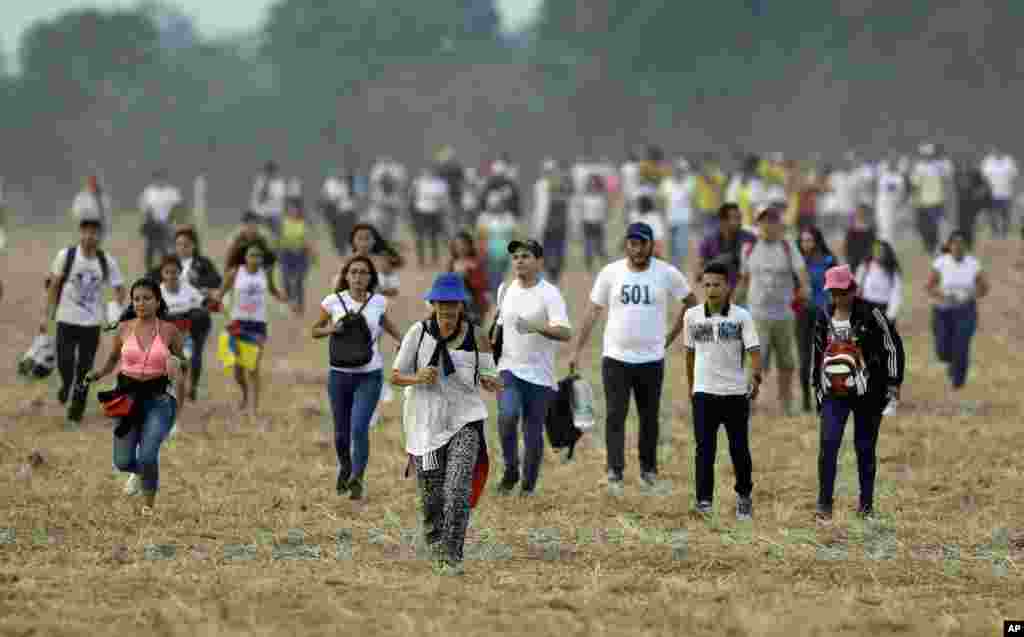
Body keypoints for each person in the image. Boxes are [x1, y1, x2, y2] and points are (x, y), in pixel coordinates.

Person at [570, 222, 697, 494]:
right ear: (626, 245)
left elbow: (691, 304)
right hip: (616, 358)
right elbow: (592, 312)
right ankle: (614, 472)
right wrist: (576, 349)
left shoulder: (666, 273)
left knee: (649, 417)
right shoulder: (610, 273)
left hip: (651, 359)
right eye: (632, 243)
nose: (637, 249)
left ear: (652, 245)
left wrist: (672, 335)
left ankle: (648, 471)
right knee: (616, 415)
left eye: (642, 243)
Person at [391, 273, 503, 575]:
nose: (448, 311)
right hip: (425, 426)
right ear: (433, 304)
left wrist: (492, 383)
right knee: (431, 494)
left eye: (453, 305)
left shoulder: (477, 336)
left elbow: (489, 374)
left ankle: (452, 555)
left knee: (456, 488)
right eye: (442, 304)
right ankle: (435, 539)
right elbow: (395, 375)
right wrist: (417, 377)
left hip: (465, 420)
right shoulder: (418, 333)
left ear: (461, 305)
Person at [811, 264, 904, 522]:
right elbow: (816, 353)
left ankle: (866, 507)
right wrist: (817, 389)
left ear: (853, 289)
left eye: (842, 291)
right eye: (833, 292)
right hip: (833, 393)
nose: (838, 297)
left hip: (869, 393)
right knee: (828, 445)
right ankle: (824, 506)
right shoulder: (823, 316)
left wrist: (893, 384)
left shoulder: (872, 314)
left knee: (864, 448)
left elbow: (892, 347)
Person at [87, 277, 188, 514]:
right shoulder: (123, 329)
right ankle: (142, 472)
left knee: (148, 453)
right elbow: (113, 359)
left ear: (158, 301)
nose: (141, 303)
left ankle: (148, 507)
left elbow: (183, 361)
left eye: (147, 298)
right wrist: (98, 373)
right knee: (122, 461)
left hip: (159, 400)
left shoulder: (170, 330)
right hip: (127, 399)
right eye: (136, 299)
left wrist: (177, 363)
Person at [312, 256, 402, 501]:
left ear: (371, 277)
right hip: (339, 375)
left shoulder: (379, 303)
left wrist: (404, 343)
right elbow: (314, 330)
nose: (358, 277)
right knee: (341, 434)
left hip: (369, 375)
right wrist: (331, 329)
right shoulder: (332, 301)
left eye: (363, 273)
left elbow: (388, 326)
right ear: (346, 275)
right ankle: (345, 467)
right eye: (354, 272)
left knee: (360, 428)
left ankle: (357, 478)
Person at [493, 239, 572, 496]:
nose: (519, 261)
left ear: (539, 262)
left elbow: (565, 332)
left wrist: (537, 326)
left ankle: (527, 486)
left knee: (532, 432)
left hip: (540, 375)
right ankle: (510, 469)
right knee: (506, 416)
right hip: (508, 368)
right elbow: (498, 328)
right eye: (515, 256)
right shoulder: (505, 290)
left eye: (525, 256)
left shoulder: (550, 293)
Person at [684, 261, 761, 518]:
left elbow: (753, 350)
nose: (711, 290)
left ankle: (744, 497)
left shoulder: (742, 316)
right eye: (706, 285)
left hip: (735, 394)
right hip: (704, 393)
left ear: (728, 286)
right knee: (704, 449)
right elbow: (689, 354)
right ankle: (704, 501)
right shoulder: (692, 316)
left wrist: (756, 377)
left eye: (717, 284)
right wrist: (691, 387)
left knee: (739, 448)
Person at [42, 219, 126, 427]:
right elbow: (53, 285)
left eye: (94, 233)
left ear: (99, 236)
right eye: (86, 232)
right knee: (66, 361)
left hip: (91, 323)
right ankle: (65, 385)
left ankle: (76, 412)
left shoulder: (106, 261)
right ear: (80, 233)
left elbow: (119, 287)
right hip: (66, 319)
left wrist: (116, 308)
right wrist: (48, 314)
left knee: (85, 369)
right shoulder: (67, 256)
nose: (90, 237)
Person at [737, 205, 809, 416]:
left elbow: (801, 273)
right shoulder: (749, 249)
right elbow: (744, 280)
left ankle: (785, 404)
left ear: (780, 224)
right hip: (757, 315)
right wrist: (729, 305)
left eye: (773, 221)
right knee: (756, 362)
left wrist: (805, 289)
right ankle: (749, 404)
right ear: (758, 224)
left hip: (784, 315)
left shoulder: (788, 247)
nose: (768, 225)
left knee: (786, 362)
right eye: (764, 221)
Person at [212, 242, 287, 423]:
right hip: (237, 324)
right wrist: (215, 301)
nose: (255, 259)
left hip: (258, 325)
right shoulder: (235, 273)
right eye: (252, 255)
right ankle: (245, 394)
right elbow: (220, 295)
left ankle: (254, 409)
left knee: (253, 366)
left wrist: (282, 297)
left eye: (258, 256)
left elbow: (273, 291)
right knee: (238, 370)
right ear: (244, 257)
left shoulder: (265, 274)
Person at [926, 231, 988, 391]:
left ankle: (958, 379)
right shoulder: (941, 263)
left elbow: (984, 287)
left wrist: (971, 295)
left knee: (961, 344)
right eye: (954, 243)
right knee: (942, 350)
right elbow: (930, 286)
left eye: (961, 244)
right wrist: (943, 295)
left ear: (966, 246)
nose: (958, 247)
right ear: (949, 246)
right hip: (943, 310)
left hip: (965, 310)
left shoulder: (973, 264)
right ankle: (950, 361)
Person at [168, 226, 222, 401]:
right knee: (178, 352)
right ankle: (180, 383)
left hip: (198, 315)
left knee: (197, 351)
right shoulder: (168, 263)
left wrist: (198, 280)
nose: (182, 248)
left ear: (194, 246)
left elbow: (216, 280)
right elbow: (152, 278)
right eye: (179, 244)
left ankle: (193, 386)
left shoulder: (202, 263)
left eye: (186, 245)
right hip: (176, 316)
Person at [796, 226, 837, 413]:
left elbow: (837, 287)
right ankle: (805, 400)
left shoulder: (828, 260)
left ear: (817, 240)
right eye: (803, 240)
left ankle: (822, 397)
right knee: (804, 357)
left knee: (822, 358)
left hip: (823, 313)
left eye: (809, 240)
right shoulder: (796, 261)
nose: (806, 244)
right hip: (802, 313)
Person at [158, 255, 204, 403]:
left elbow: (204, 304)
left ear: (180, 273)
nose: (171, 276)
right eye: (167, 272)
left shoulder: (188, 290)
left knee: (180, 374)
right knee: (169, 374)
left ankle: (177, 406)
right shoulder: (157, 293)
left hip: (185, 341)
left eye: (175, 272)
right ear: (162, 274)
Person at [696, 203, 756, 291]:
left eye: (740, 218)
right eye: (736, 218)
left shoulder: (749, 239)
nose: (740, 222)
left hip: (744, 292)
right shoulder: (708, 241)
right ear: (723, 221)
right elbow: (698, 275)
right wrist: (718, 263)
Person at [533, 159, 575, 284]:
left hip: (557, 225)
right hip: (548, 225)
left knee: (556, 251)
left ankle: (554, 275)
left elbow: (568, 206)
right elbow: (539, 208)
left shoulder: (560, 186)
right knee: (548, 251)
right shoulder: (541, 185)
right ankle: (550, 275)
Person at [910, 143, 953, 256]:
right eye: (925, 154)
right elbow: (915, 185)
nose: (928, 156)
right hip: (924, 203)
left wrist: (947, 197)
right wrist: (915, 200)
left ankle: (940, 247)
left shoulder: (939, 166)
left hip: (938, 201)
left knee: (939, 226)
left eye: (930, 154)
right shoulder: (919, 167)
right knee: (926, 228)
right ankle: (930, 246)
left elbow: (946, 180)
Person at [278, 198, 318, 315]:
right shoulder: (283, 223)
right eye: (291, 209)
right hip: (287, 254)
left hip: (301, 255)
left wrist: (313, 256)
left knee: (299, 280)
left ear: (299, 210)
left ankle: (300, 306)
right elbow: (278, 240)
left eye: (295, 209)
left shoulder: (304, 224)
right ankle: (288, 301)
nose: (293, 211)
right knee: (285, 278)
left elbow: (309, 242)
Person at [139, 170, 184, 271]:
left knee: (168, 249)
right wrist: (150, 222)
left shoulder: (172, 192)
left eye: (161, 178)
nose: (159, 181)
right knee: (150, 250)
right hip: (153, 227)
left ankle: (170, 268)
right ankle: (149, 270)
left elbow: (177, 208)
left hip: (168, 225)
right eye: (157, 178)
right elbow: (145, 210)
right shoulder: (148, 192)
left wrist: (169, 221)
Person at [477, 190, 520, 293]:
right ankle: (495, 295)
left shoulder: (509, 218)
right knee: (493, 277)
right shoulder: (483, 218)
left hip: (504, 253)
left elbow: (514, 235)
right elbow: (480, 237)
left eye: (498, 204)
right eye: (493, 204)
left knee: (500, 276)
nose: (496, 207)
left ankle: (497, 294)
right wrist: (482, 250)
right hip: (489, 253)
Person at [410, 166, 451, 267]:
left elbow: (444, 199)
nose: (428, 174)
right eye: (426, 173)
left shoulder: (439, 184)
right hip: (421, 212)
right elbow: (411, 196)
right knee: (420, 236)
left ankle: (435, 259)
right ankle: (421, 260)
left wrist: (445, 210)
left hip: (435, 212)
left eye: (430, 173)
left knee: (434, 236)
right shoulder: (418, 182)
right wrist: (412, 212)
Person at [660, 158, 696, 273]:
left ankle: (678, 272)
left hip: (684, 220)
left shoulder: (690, 183)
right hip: (670, 220)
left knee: (681, 249)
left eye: (681, 170)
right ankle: (673, 272)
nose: (678, 172)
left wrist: (694, 218)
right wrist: (662, 218)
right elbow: (662, 202)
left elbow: (693, 201)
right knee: (671, 250)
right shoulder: (666, 183)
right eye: (676, 169)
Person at [855, 239, 903, 323]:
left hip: (884, 309)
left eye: (881, 251)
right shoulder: (864, 267)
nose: (878, 254)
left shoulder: (892, 271)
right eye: (876, 251)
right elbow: (856, 288)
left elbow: (896, 295)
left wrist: (890, 316)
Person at [447, 231, 490, 324]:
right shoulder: (452, 263)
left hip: (475, 306)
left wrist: (467, 277)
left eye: (464, 244)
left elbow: (483, 285)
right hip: (456, 305)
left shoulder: (477, 263)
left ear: (470, 245)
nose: (461, 247)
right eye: (457, 245)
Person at [953, 158, 992, 250]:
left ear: (969, 166)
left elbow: (984, 186)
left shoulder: (975, 174)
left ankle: (969, 244)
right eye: (962, 165)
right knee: (961, 225)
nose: (964, 167)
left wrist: (979, 195)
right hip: (961, 204)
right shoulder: (957, 175)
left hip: (972, 204)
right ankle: (963, 243)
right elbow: (955, 189)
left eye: (966, 165)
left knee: (970, 225)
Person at [980, 148, 1018, 239]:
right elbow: (982, 176)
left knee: (1006, 214)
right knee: (992, 215)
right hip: (992, 194)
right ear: (993, 151)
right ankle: (995, 232)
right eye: (995, 150)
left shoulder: (1009, 160)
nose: (997, 152)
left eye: (999, 150)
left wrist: (1008, 182)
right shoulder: (987, 161)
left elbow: (1014, 174)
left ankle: (1004, 233)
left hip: (1006, 193)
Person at [320, 171, 359, 258]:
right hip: (335, 213)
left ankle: (348, 249)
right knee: (337, 234)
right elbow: (325, 197)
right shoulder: (330, 183)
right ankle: (340, 250)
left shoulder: (349, 182)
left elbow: (355, 197)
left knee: (349, 232)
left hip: (348, 212)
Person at [579, 174, 609, 271]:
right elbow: (581, 213)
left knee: (599, 247)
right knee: (588, 246)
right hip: (587, 224)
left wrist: (603, 223)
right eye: (591, 185)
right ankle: (589, 266)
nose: (593, 187)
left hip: (598, 224)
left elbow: (605, 213)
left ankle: (605, 264)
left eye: (595, 185)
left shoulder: (602, 198)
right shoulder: (584, 198)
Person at [250, 161, 287, 238]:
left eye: (274, 171)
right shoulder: (261, 181)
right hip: (262, 213)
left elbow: (281, 199)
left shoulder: (280, 182)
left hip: (275, 213)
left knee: (278, 236)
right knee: (261, 235)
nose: (273, 173)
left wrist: (282, 212)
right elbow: (259, 198)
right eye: (270, 171)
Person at [71, 176, 113, 241]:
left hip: (101, 229)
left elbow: (107, 214)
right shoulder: (81, 197)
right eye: (91, 184)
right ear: (88, 185)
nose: (93, 186)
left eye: (94, 183)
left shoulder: (103, 197)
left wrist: (108, 230)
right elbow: (76, 212)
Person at [844, 204, 876, 275]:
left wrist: (868, 258)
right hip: (853, 259)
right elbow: (847, 245)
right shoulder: (851, 229)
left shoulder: (870, 230)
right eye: (858, 212)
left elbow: (872, 245)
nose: (860, 215)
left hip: (866, 259)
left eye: (862, 212)